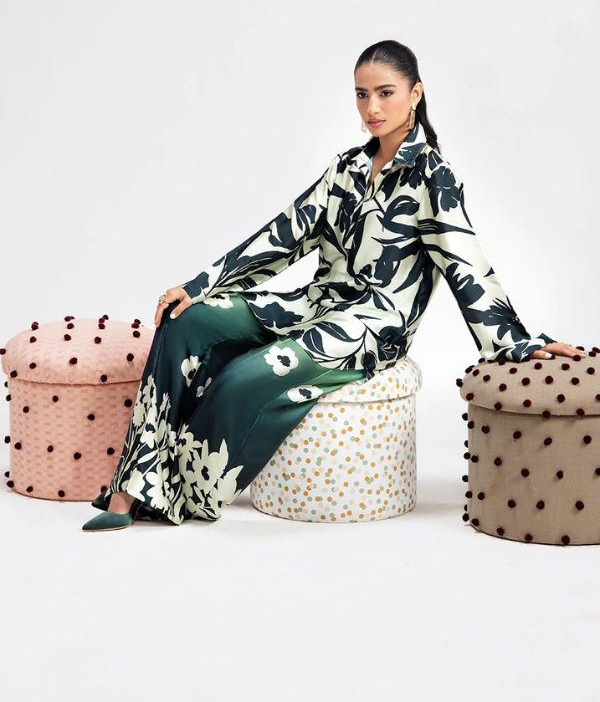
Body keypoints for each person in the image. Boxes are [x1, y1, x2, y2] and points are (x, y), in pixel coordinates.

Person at [82, 39, 583, 532]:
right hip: (318, 304)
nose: (372, 107)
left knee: (246, 376)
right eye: (362, 95)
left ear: (416, 93)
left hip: (371, 325)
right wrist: (201, 284)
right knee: (186, 321)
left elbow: (466, 265)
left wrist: (516, 341)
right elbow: (284, 234)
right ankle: (132, 484)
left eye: (386, 93)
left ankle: (172, 492)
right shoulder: (345, 168)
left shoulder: (434, 177)